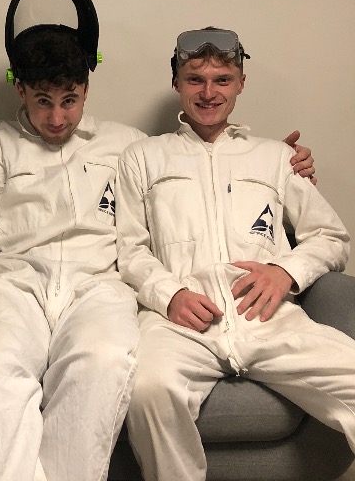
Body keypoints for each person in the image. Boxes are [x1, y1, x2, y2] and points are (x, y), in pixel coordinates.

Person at [0, 0, 316, 481]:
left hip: (99, 288)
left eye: (70, 100)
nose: (57, 118)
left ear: (86, 87)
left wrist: (281, 162)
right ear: (21, 90)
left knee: (102, 363)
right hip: (13, 286)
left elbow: (197, 169)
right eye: (42, 101)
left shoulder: (128, 146)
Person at [115, 27, 355, 481]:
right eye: (195, 79)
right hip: (180, 322)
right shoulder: (142, 157)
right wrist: (169, 295)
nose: (208, 93)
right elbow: (129, 248)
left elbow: (330, 236)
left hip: (268, 318)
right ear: (176, 82)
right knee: (148, 389)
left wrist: (285, 271)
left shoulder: (276, 158)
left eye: (222, 80)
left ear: (241, 83)